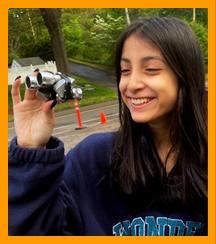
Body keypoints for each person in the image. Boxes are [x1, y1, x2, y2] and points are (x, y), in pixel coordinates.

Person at [9, 16, 207, 236]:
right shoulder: (92, 160)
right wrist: (30, 149)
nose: (132, 85)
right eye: (125, 71)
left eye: (151, 69)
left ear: (186, 76)